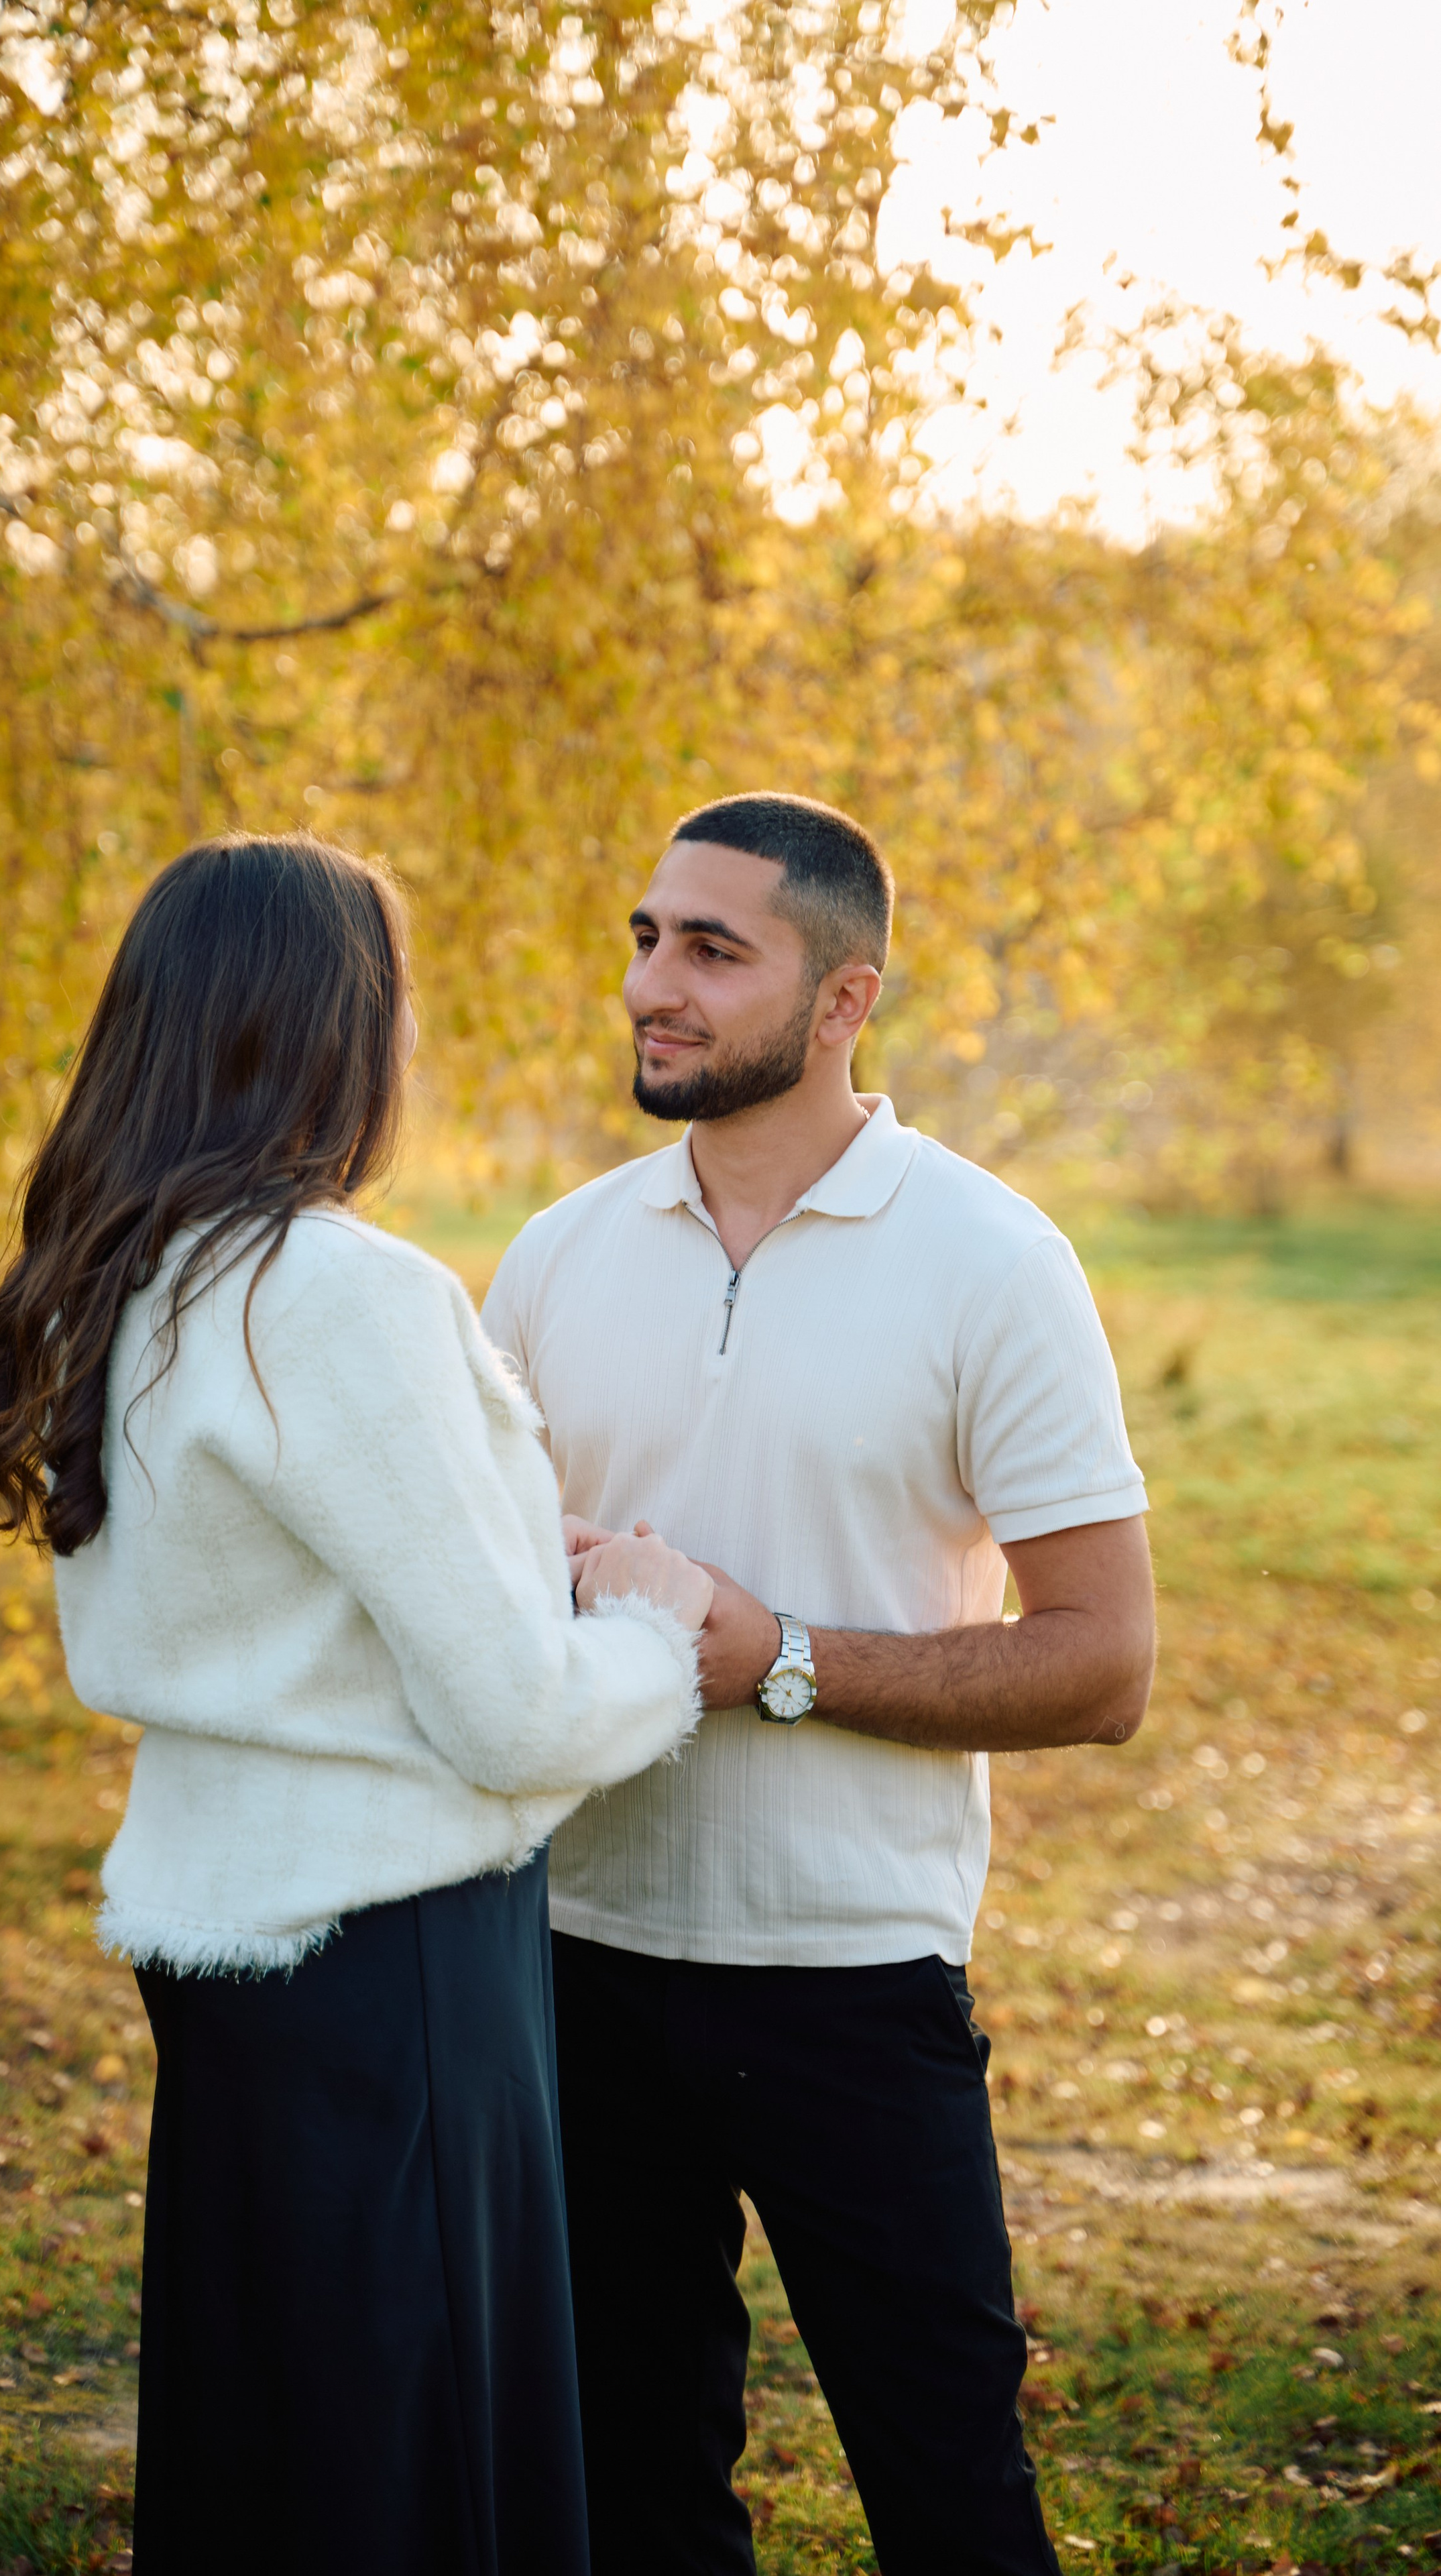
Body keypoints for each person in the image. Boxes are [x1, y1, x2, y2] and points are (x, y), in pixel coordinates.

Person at [0, 830, 712, 2576]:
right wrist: (660, 1630)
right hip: (398, 1953)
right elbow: (515, 1715)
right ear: (332, 1029)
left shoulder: (119, 1267)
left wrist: (528, 1548)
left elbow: (261, 1591)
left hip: (221, 1942)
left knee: (276, 2440)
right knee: (424, 2467)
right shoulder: (339, 1287)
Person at [481, 791, 1156, 2576]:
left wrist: (772, 1656)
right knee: (631, 2498)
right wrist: (526, 1578)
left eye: (713, 948)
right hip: (581, 1964)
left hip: (855, 1984)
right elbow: (471, 1579)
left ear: (845, 998)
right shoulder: (557, 1253)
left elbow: (1103, 1659)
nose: (653, 985)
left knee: (950, 2499)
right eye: (645, 938)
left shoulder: (993, 1259)